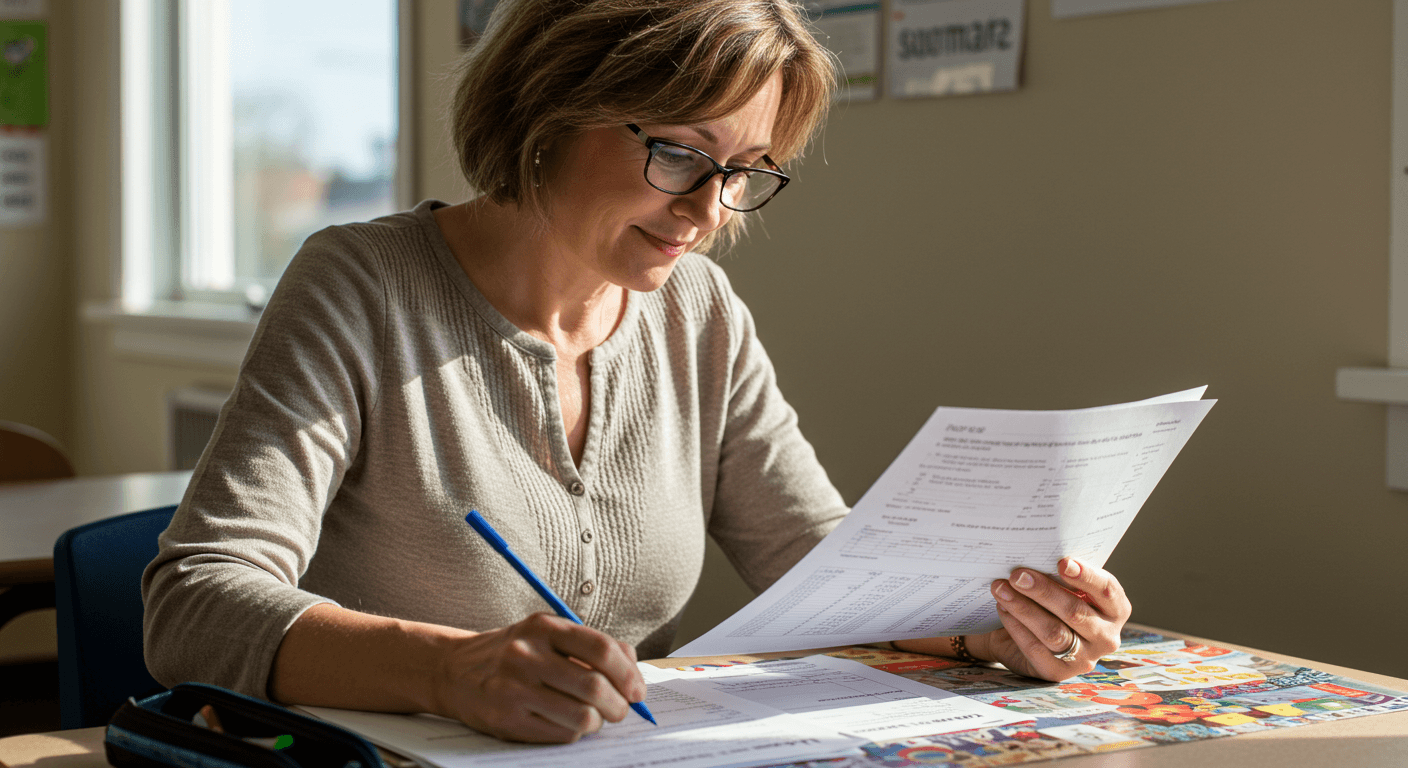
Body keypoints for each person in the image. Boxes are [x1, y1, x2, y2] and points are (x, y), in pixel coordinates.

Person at [142, 0, 1132, 746]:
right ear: (550, 104)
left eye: (745, 170)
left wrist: (987, 630)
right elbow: (193, 603)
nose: (710, 210)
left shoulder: (697, 313)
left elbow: (828, 577)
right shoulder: (359, 287)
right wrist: (451, 673)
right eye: (679, 153)